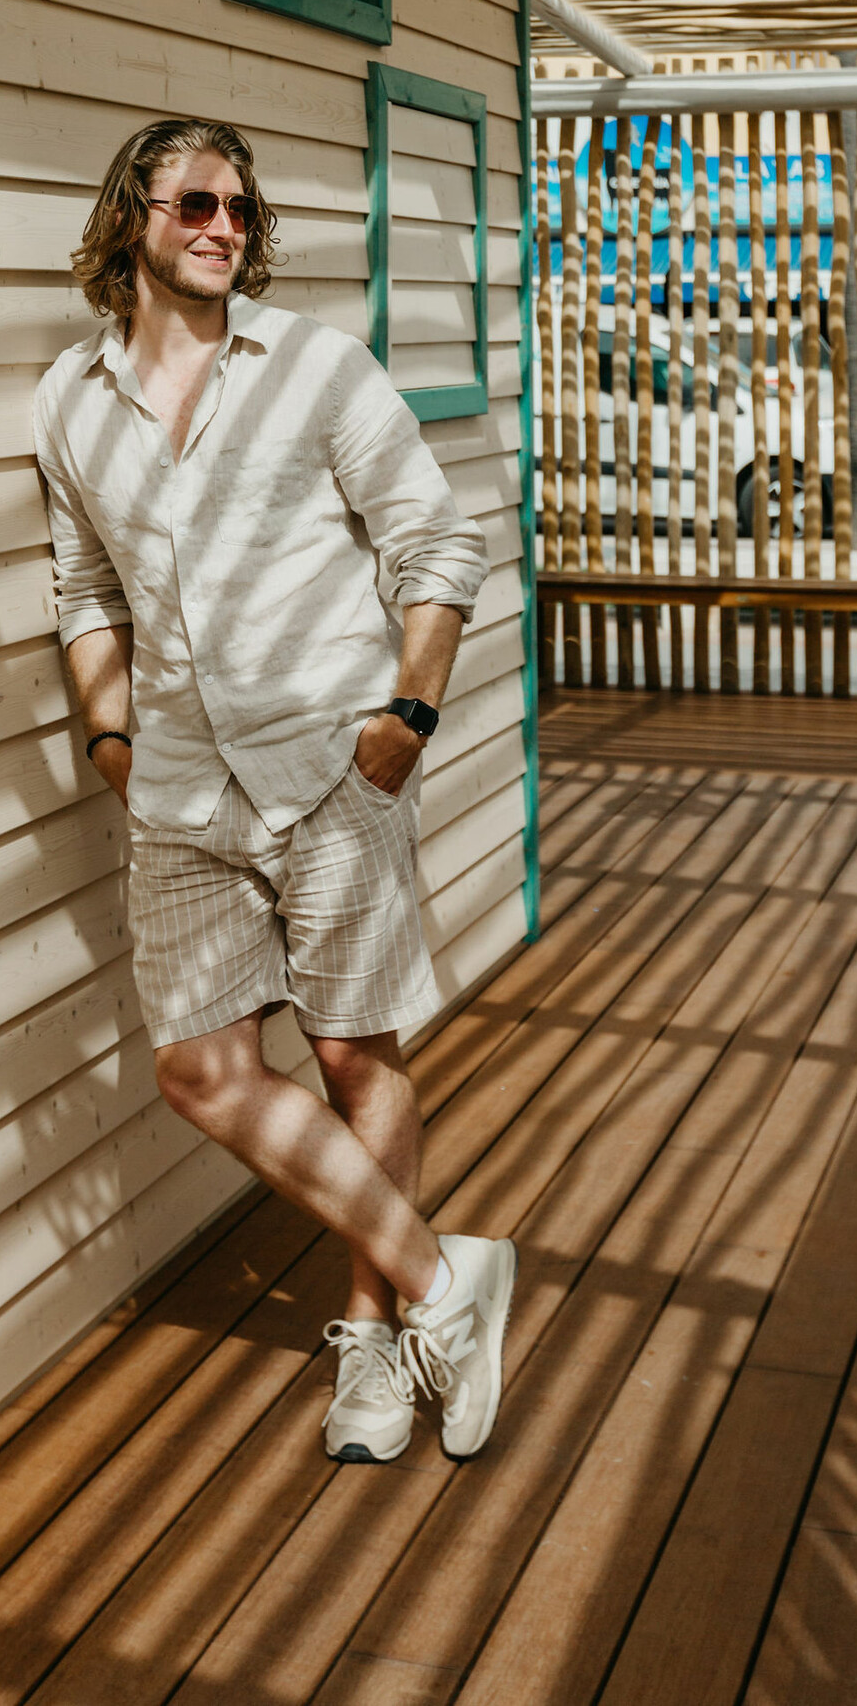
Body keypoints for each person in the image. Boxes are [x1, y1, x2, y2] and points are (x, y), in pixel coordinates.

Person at [32, 115, 516, 1466]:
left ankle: (370, 1341)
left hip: (331, 758)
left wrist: (408, 711)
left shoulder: (315, 366)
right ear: (133, 212)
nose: (224, 227)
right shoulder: (69, 401)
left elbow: (437, 539)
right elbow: (83, 589)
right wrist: (108, 737)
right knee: (201, 1069)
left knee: (356, 1051)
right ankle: (442, 1285)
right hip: (179, 783)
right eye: (197, 200)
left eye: (242, 208)